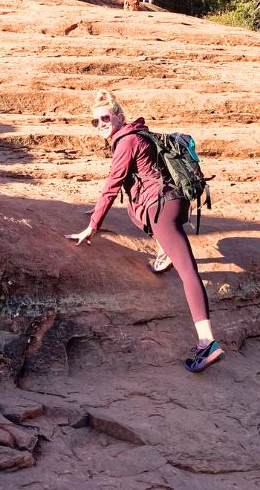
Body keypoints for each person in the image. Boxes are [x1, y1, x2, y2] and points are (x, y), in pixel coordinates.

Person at [65, 89, 224, 373]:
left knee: (188, 273)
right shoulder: (139, 134)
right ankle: (164, 252)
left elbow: (113, 184)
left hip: (160, 207)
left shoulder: (125, 141)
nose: (100, 124)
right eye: (95, 121)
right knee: (145, 218)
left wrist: (93, 225)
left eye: (105, 118)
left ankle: (207, 342)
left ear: (118, 117)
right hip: (175, 202)